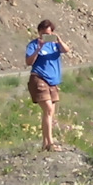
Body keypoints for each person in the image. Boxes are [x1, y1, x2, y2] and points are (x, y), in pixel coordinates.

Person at [24, 20, 70, 151]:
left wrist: (58, 40)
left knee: (49, 112)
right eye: (43, 33)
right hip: (39, 78)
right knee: (48, 109)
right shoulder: (33, 45)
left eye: (48, 33)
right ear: (39, 32)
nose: (45, 36)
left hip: (53, 82)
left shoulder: (54, 45)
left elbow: (66, 50)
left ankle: (45, 143)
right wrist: (38, 48)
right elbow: (28, 62)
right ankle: (50, 143)